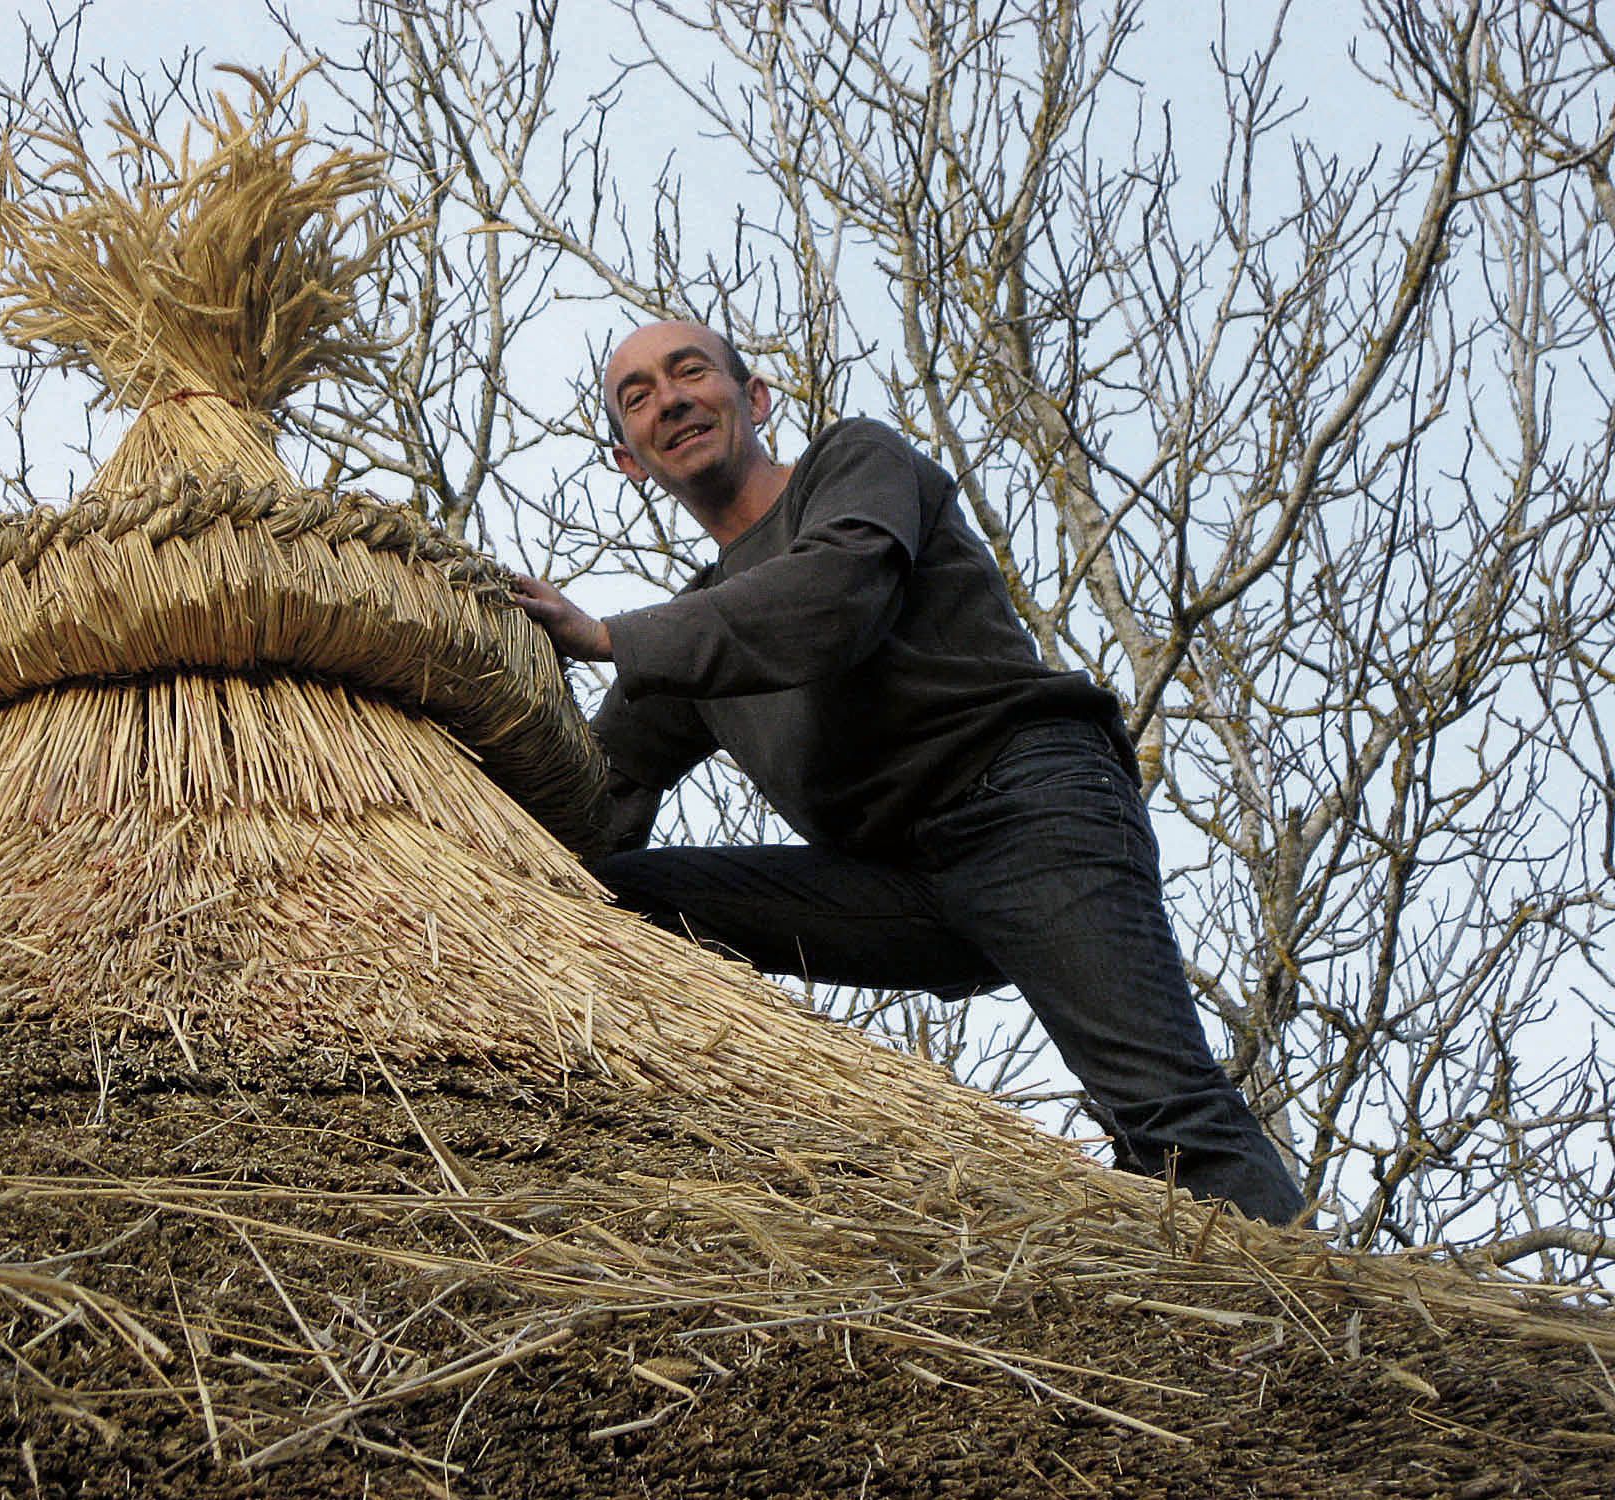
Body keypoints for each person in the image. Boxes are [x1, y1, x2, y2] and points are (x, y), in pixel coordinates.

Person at [512, 319, 1305, 1225]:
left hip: (1025, 808)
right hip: (893, 887)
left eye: (691, 372)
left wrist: (610, 638)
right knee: (620, 893)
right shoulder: (694, 641)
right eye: (639, 395)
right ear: (630, 460)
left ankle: (1317, 1348)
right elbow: (590, 804)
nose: (672, 399)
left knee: (1168, 1114)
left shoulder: (856, 466)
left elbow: (831, 599)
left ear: (755, 398)